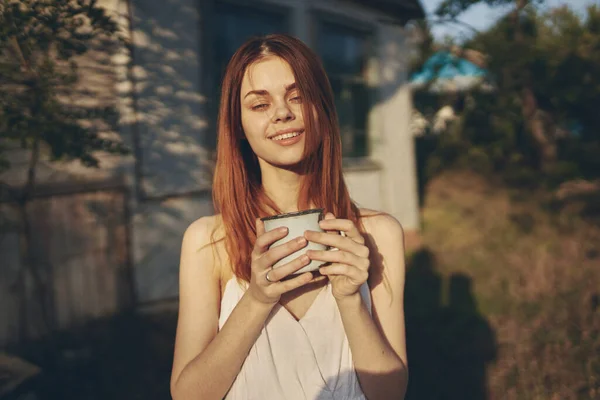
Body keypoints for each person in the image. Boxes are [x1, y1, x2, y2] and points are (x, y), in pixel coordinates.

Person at [170, 33, 408, 400]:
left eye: (297, 96)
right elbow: (188, 395)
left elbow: (390, 393)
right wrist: (257, 300)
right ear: (239, 126)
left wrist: (349, 300)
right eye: (259, 105)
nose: (282, 112)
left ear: (322, 109)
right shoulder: (208, 241)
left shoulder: (378, 234)